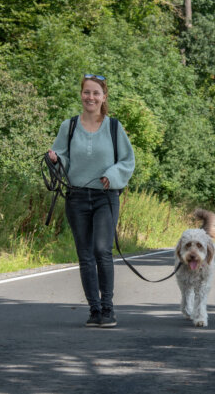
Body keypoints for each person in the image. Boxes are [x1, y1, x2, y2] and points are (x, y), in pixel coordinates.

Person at [48, 74, 135, 328]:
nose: (91, 97)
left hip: (105, 198)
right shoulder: (69, 126)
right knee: (85, 254)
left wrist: (112, 175)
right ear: (81, 94)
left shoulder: (114, 127)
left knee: (101, 249)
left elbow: (127, 161)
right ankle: (94, 310)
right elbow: (63, 158)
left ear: (103, 97)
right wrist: (55, 160)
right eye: (87, 92)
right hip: (76, 197)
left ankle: (108, 308)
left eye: (96, 93)